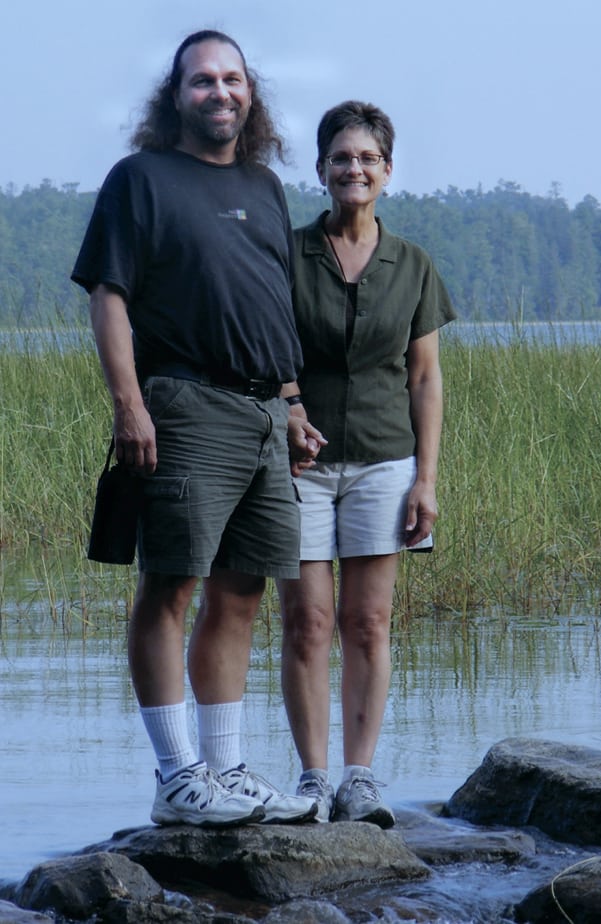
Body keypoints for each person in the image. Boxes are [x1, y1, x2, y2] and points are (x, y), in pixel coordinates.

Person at [71, 29, 325, 828]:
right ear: (175, 96)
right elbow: (108, 294)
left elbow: (271, 303)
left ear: (251, 95)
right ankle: (178, 778)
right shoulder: (140, 179)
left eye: (233, 81)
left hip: (261, 413)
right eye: (202, 82)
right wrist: (129, 402)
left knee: (243, 592)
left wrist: (291, 403)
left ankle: (227, 769)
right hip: (183, 405)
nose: (221, 93)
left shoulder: (264, 184)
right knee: (171, 585)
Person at [278, 101, 456, 827]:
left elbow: (424, 378)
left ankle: (360, 778)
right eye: (341, 158)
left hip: (386, 462)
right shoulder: (287, 254)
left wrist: (427, 478)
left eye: (368, 158)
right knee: (307, 623)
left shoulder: (411, 264)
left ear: (387, 170)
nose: (355, 169)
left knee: (370, 620)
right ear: (321, 169)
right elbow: (267, 349)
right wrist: (288, 406)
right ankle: (313, 779)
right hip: (298, 465)